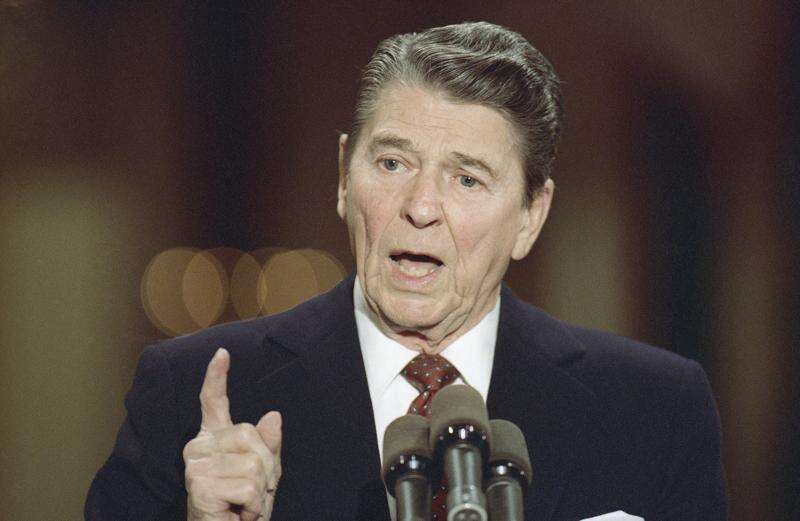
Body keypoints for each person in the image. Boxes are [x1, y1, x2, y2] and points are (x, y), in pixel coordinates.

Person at [85, 21, 727, 521]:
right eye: (392, 164)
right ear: (344, 177)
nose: (420, 207)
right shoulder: (188, 395)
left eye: (467, 178)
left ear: (532, 215)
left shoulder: (654, 409)